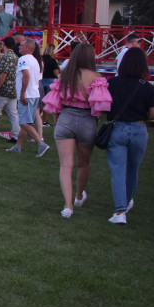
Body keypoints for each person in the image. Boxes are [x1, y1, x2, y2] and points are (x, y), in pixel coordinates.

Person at [41, 43, 111, 218]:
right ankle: (79, 195)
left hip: (66, 118)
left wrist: (58, 122)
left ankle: (68, 206)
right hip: (87, 120)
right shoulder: (97, 77)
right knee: (84, 164)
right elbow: (99, 106)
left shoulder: (66, 76)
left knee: (65, 166)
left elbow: (55, 104)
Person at [105, 48, 154, 224]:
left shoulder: (112, 83)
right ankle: (126, 201)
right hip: (139, 128)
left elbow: (105, 106)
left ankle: (120, 211)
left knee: (118, 170)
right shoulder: (148, 88)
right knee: (133, 169)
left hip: (118, 128)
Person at [9, 38, 49, 157]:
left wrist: (22, 93)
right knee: (26, 122)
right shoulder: (36, 60)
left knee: (23, 123)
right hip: (34, 94)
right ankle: (18, 146)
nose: (19, 47)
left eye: (21, 45)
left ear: (28, 48)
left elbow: (26, 76)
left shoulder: (23, 59)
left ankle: (41, 143)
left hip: (28, 95)